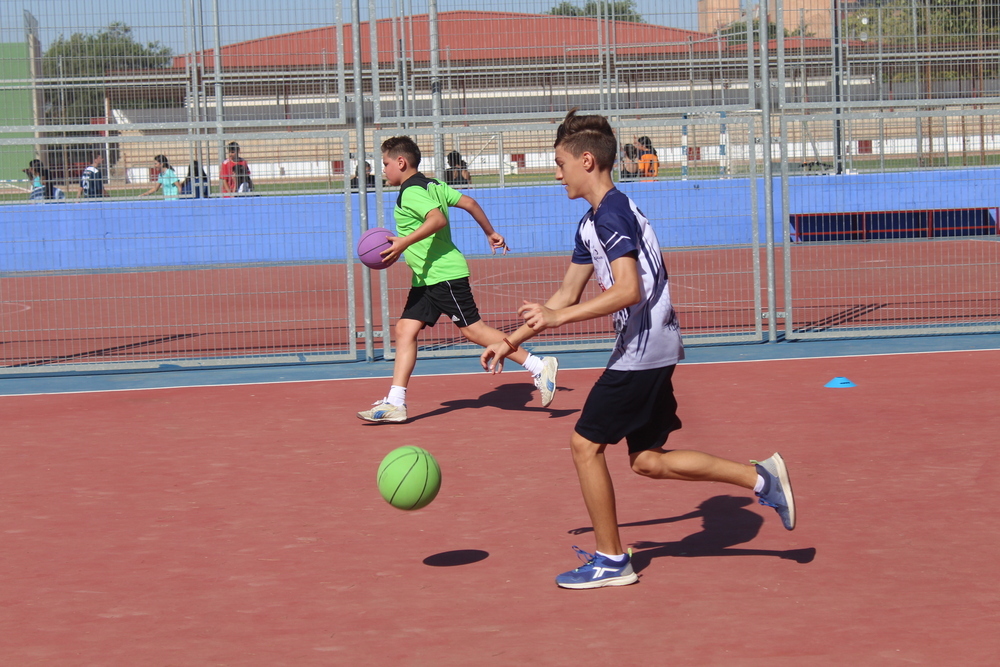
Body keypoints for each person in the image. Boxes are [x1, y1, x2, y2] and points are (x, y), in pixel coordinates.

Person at [480, 110, 796, 589]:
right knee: (648, 459)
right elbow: (563, 297)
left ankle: (612, 560)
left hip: (643, 346)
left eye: (560, 162)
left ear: (586, 161)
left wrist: (559, 317)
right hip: (655, 345)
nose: (555, 172)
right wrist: (510, 341)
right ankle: (762, 479)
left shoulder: (612, 212)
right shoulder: (592, 223)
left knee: (585, 445)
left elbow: (628, 289)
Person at [357, 135, 559, 424]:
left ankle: (538, 365)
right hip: (426, 278)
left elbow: (437, 219)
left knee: (474, 331)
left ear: (401, 162)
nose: (384, 169)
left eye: (386, 163)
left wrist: (403, 242)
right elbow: (470, 202)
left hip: (443, 275)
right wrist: (489, 231)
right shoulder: (434, 185)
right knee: (404, 330)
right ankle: (396, 402)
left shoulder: (411, 192)